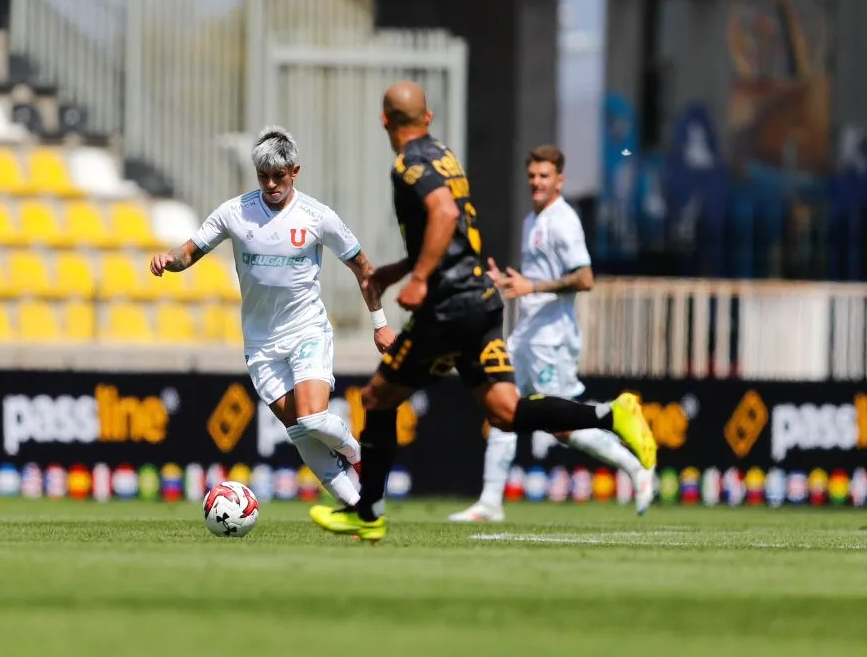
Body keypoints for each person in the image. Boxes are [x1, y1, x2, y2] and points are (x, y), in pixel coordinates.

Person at [309, 82, 657, 541]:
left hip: (448, 307)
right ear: (428, 119)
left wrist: (419, 278)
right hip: (481, 300)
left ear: (384, 121)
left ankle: (367, 513)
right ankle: (612, 414)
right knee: (506, 412)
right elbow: (448, 236)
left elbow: (444, 215)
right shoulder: (445, 158)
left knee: (377, 399)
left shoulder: (409, 164)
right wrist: (398, 270)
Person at [149, 125, 396, 507]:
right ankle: (358, 508)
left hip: (306, 329)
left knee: (313, 419)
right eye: (263, 176)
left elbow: (364, 268)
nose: (270, 185)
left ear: (295, 172)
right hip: (261, 343)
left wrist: (380, 325)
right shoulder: (235, 212)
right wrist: (170, 259)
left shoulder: (318, 217)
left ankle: (360, 456)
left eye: (278, 176)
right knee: (299, 430)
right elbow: (190, 251)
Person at [448, 145, 655, 523]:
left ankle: (637, 467)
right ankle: (490, 502)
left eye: (544, 176)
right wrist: (509, 281)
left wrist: (533, 286)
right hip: (527, 334)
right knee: (502, 409)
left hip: (552, 339)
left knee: (564, 428)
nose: (536, 182)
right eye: (532, 176)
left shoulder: (564, 221)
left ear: (560, 180)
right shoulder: (533, 219)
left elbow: (585, 278)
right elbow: (536, 279)